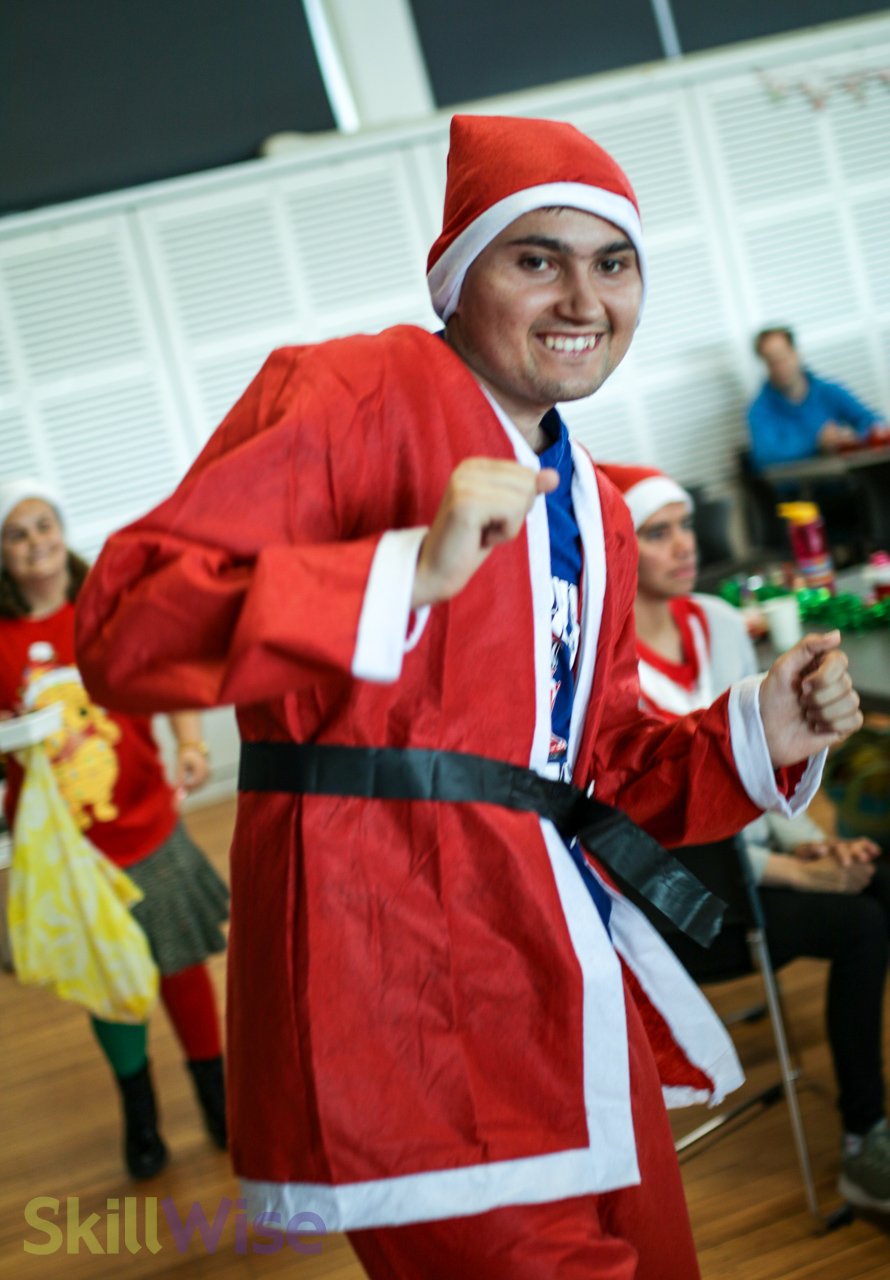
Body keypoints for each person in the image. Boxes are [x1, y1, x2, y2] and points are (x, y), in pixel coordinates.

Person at [74, 115, 863, 1278]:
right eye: (536, 258)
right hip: (391, 972)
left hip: (558, 964)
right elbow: (126, 624)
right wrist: (401, 571)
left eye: (612, 263)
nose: (581, 299)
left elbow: (597, 763)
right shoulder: (349, 390)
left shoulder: (593, 504)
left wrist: (756, 728)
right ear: (455, 274)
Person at [600, 460, 890, 1215]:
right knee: (860, 926)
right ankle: (864, 1139)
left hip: (756, 868)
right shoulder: (608, 666)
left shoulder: (722, 623)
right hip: (683, 909)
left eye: (684, 525)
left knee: (879, 876)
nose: (683, 544)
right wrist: (796, 874)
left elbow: (766, 766)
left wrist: (812, 845)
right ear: (620, 547)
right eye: (656, 533)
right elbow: (651, 829)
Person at [0, 479, 229, 1180]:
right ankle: (141, 1117)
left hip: (146, 822)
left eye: (44, 526)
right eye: (16, 533)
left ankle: (218, 1101)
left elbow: (168, 675)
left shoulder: (107, 605)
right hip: (65, 852)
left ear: (61, 530)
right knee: (109, 983)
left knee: (180, 967)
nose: (35, 543)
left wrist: (192, 744)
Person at [747, 326, 885, 471]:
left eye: (782, 357)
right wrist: (816, 442)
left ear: (796, 354)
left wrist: (854, 438)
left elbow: (874, 422)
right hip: (800, 484)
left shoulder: (828, 391)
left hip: (844, 479)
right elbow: (765, 456)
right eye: (771, 361)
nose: (779, 367)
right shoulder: (759, 411)